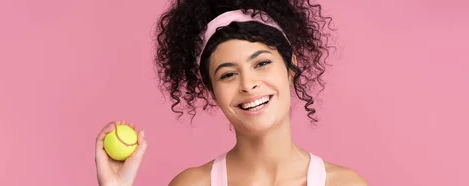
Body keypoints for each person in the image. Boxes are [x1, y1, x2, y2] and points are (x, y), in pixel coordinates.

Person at [95, 0, 368, 185]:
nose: (248, 84)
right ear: (211, 91)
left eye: (261, 63)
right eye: (228, 74)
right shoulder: (192, 185)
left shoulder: (344, 183)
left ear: (291, 68)